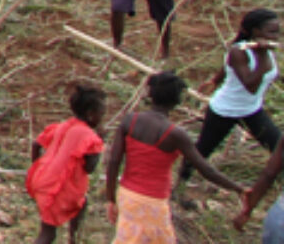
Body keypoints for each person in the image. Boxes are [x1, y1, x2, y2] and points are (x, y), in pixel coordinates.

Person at [102, 71, 242, 242]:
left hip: (127, 195)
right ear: (176, 100)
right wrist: (238, 189)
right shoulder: (175, 134)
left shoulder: (130, 120)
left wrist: (110, 199)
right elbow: (206, 169)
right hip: (153, 202)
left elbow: (114, 161)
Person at [182, 9, 282, 193]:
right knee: (201, 152)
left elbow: (228, 69)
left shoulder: (263, 50)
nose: (276, 36)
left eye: (278, 32)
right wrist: (263, 61)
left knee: (278, 147)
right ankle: (179, 186)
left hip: (252, 111)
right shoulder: (241, 52)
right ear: (255, 31)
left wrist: (214, 80)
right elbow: (250, 86)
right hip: (224, 111)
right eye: (272, 32)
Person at [26, 82, 105, 244]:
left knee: (81, 204)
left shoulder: (64, 126)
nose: (103, 117)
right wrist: (100, 143)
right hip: (57, 189)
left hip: (41, 181)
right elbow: (89, 168)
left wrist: (36, 167)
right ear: (91, 114)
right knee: (48, 235)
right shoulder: (90, 137)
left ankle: (73, 239)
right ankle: (73, 239)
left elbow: (36, 144)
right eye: (101, 113)